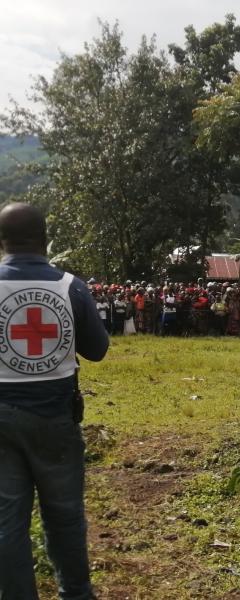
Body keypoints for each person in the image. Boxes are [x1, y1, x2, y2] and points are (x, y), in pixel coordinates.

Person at [0, 203, 109, 599]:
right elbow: (97, 350)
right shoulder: (70, 286)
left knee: (6, 522)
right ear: (46, 239)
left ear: (2, 240)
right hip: (55, 421)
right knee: (64, 516)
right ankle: (76, 595)